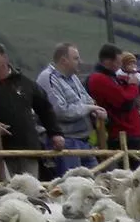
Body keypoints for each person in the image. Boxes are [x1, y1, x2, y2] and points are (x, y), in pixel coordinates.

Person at [0, 40, 62, 177]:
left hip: (28, 152)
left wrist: (55, 133)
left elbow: (45, 108)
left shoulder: (25, 83)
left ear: (4, 57)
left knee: (30, 189)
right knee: (1, 190)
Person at [36, 43, 106, 172]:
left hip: (83, 141)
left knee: (94, 178)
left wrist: (95, 111)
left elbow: (87, 99)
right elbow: (60, 111)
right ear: (64, 60)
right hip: (65, 141)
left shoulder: (73, 77)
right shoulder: (49, 78)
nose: (80, 61)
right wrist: (90, 109)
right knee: (73, 180)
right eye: (76, 58)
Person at [86, 44, 140, 149]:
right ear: (108, 61)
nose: (120, 66)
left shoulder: (111, 77)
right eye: (118, 62)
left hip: (129, 132)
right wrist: (133, 86)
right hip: (121, 133)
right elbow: (124, 101)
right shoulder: (99, 78)